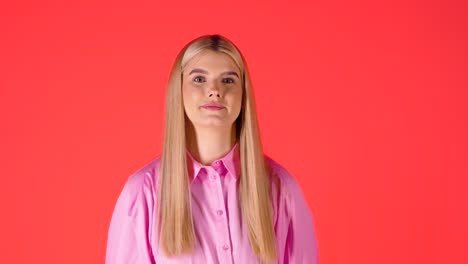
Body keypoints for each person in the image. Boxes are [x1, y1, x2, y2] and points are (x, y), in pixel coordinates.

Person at [105, 34, 318, 264]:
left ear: (243, 94)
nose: (214, 90)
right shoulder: (142, 195)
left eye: (228, 80)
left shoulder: (281, 189)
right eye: (199, 79)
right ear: (179, 90)